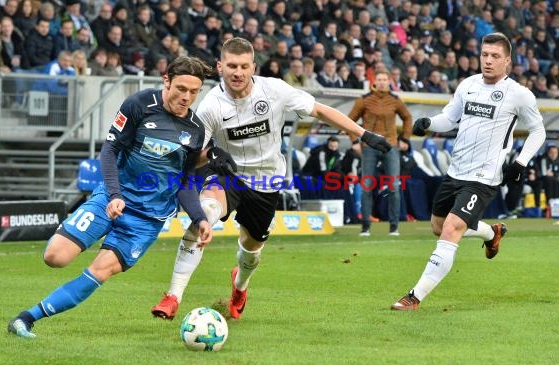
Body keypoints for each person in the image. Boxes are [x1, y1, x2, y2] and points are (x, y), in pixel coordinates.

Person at [151, 37, 391, 321]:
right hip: (228, 177)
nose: (237, 72)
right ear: (219, 67)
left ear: (253, 66)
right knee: (202, 217)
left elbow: (320, 111)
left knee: (251, 251)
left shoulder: (275, 89)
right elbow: (193, 157)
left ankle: (240, 286)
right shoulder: (211, 106)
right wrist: (211, 157)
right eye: (231, 66)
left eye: (243, 66)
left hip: (267, 182)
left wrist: (363, 134)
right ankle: (173, 297)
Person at [7, 56, 214, 338]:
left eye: (194, 92)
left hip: (147, 219)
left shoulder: (195, 129)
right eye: (181, 88)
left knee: (99, 271)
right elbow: (109, 150)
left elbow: (185, 180)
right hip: (111, 199)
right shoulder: (139, 105)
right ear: (166, 80)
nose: (187, 97)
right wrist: (114, 195)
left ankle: (25, 319)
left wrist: (199, 217)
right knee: (55, 256)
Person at [391, 33, 547, 311]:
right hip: (455, 171)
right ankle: (492, 233)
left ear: (507, 60)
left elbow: (538, 131)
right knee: (438, 228)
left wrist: (520, 162)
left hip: (484, 177)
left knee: (451, 229)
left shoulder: (519, 94)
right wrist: (428, 122)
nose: (488, 60)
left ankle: (414, 297)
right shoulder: (468, 85)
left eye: (495, 56)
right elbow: (449, 118)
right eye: (484, 55)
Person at [348, 67, 412, 237]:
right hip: (369, 147)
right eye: (380, 80)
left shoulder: (396, 100)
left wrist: (405, 138)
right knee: (367, 187)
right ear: (374, 82)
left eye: (385, 79)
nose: (383, 82)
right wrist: (354, 141)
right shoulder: (364, 100)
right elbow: (349, 121)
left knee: (393, 187)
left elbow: (407, 118)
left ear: (389, 81)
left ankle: (394, 227)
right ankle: (365, 227)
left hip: (390, 145)